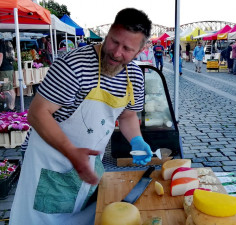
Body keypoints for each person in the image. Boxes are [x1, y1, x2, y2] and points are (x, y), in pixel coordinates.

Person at [10, 8, 153, 225]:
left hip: (87, 165)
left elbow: (127, 116)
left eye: (127, 49)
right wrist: (71, 152)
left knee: (84, 217)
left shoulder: (134, 75)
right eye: (114, 41)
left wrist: (136, 139)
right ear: (108, 33)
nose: (116, 53)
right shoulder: (73, 64)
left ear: (140, 50)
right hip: (49, 163)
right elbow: (37, 113)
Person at [0, 39, 16, 111]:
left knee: (5, 89)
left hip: (4, 71)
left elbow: (0, 56)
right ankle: (12, 107)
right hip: (9, 69)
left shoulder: (0, 44)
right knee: (10, 88)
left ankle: (7, 108)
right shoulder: (4, 43)